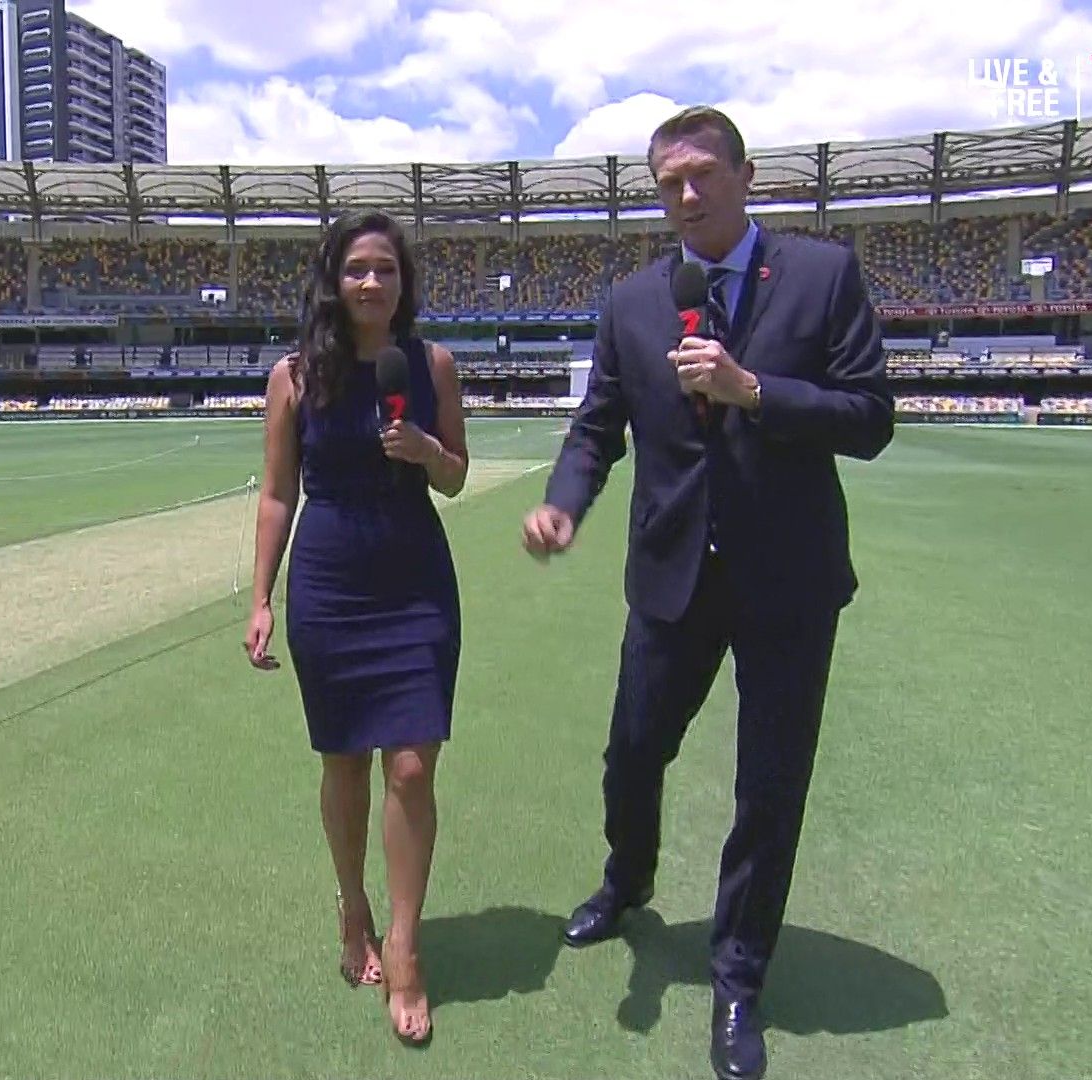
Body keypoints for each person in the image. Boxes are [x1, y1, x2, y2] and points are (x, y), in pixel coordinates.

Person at [522, 106, 893, 1080]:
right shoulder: (632, 303)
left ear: (744, 175)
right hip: (671, 574)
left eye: (702, 175)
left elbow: (870, 417)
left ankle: (737, 976)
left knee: (768, 788)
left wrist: (754, 391)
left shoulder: (822, 276)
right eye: (668, 183)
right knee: (632, 753)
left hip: (788, 580)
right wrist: (564, 503)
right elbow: (597, 427)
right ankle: (627, 878)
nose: (685, 196)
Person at [245, 210, 470, 1046]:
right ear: (333, 281)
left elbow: (456, 476)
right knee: (343, 761)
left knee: (410, 766)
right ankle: (353, 908)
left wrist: (427, 453)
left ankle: (404, 944)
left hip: (414, 582)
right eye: (356, 269)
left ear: (404, 283)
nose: (372, 282)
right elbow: (278, 494)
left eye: (386, 269)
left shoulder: (433, 365)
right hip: (330, 583)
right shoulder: (295, 377)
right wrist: (261, 598)